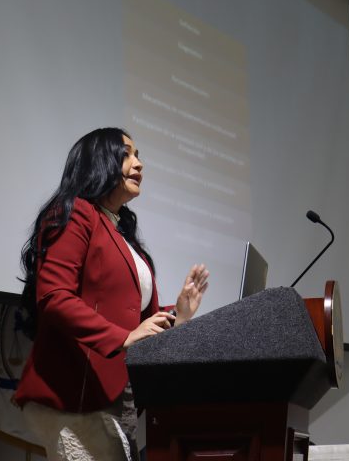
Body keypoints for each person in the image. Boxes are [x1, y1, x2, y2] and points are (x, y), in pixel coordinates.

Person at [13, 127, 209, 460]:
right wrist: (123, 337)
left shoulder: (120, 232)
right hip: (74, 392)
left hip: (118, 394)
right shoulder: (75, 212)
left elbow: (136, 321)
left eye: (139, 156)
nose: (139, 164)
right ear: (100, 161)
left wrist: (179, 314)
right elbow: (54, 297)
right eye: (127, 154)